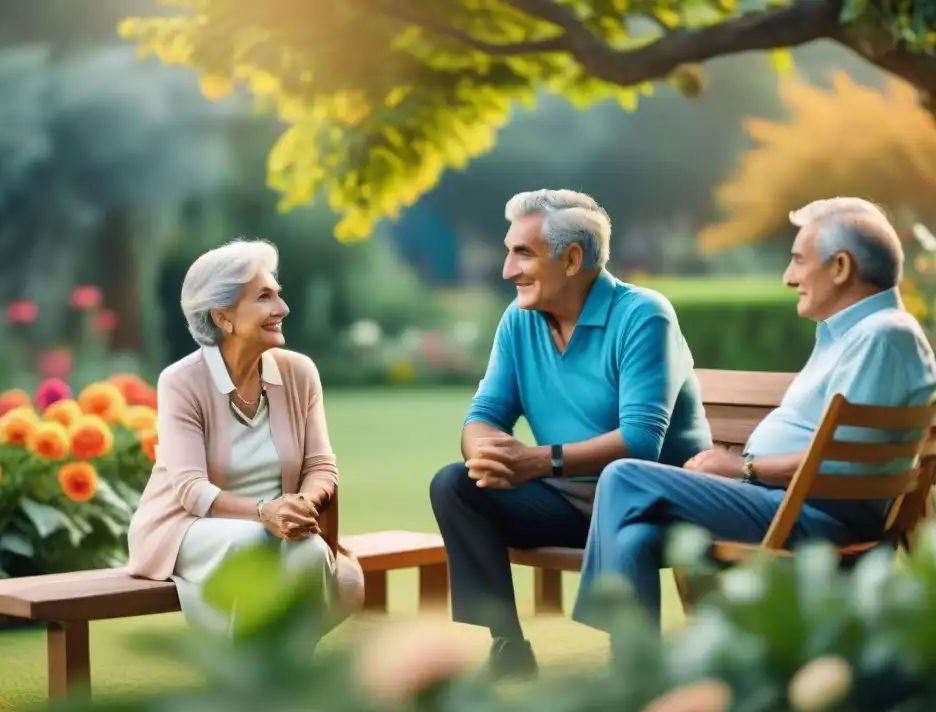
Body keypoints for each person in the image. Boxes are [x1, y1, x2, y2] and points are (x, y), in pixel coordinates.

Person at [574, 197, 936, 630]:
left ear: (841, 267)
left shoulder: (883, 337)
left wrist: (744, 468)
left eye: (799, 260)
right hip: (787, 504)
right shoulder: (857, 335)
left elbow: (843, 467)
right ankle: (635, 676)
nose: (789, 277)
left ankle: (634, 670)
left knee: (624, 476)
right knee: (635, 537)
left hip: (812, 517)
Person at [429, 189, 712, 679]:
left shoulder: (643, 314)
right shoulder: (518, 321)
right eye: (508, 251)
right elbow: (485, 413)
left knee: (629, 512)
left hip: (654, 505)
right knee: (455, 484)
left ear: (573, 258)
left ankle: (634, 668)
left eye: (523, 254)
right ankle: (507, 647)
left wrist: (535, 461)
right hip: (570, 505)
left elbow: (640, 441)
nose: (507, 269)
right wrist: (487, 455)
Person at [127, 238, 363, 634]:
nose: (282, 309)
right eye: (265, 297)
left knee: (307, 551)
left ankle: (265, 684)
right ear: (223, 318)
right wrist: (263, 512)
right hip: (186, 527)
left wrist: (298, 505)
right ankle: (269, 684)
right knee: (257, 543)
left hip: (279, 529)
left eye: (279, 294)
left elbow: (321, 465)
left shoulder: (298, 372)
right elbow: (189, 489)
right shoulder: (181, 381)